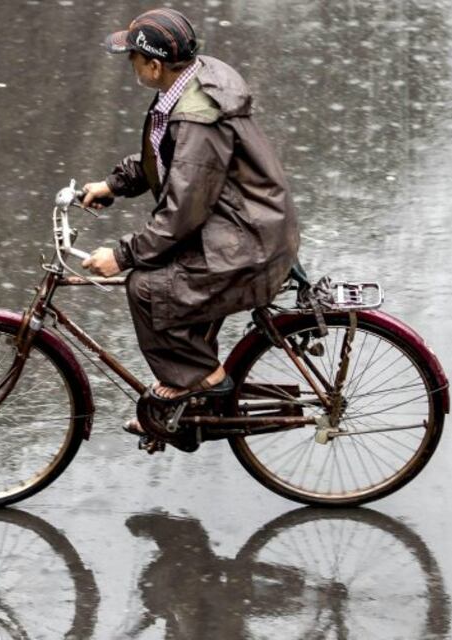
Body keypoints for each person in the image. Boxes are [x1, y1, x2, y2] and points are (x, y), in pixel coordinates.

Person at [80, 8, 298, 431]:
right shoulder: (188, 87)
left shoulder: (198, 116)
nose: (130, 65)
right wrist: (115, 184)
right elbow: (167, 159)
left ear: (155, 65)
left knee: (147, 288)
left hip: (246, 242)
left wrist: (123, 255)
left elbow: (183, 208)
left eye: (133, 58)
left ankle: (202, 382)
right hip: (240, 227)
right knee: (165, 280)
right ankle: (188, 409)